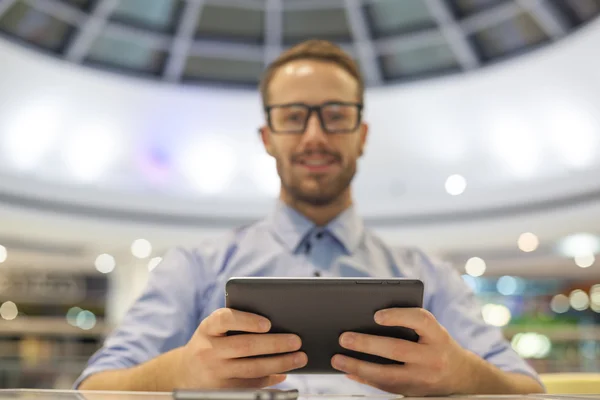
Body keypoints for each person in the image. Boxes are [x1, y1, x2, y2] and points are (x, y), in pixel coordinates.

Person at [75, 40, 544, 396]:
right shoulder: (193, 267)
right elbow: (93, 388)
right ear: (267, 136)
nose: (315, 135)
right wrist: (180, 371)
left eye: (335, 115)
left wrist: (463, 374)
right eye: (294, 116)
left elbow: (530, 390)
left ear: (361, 135)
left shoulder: (432, 278)